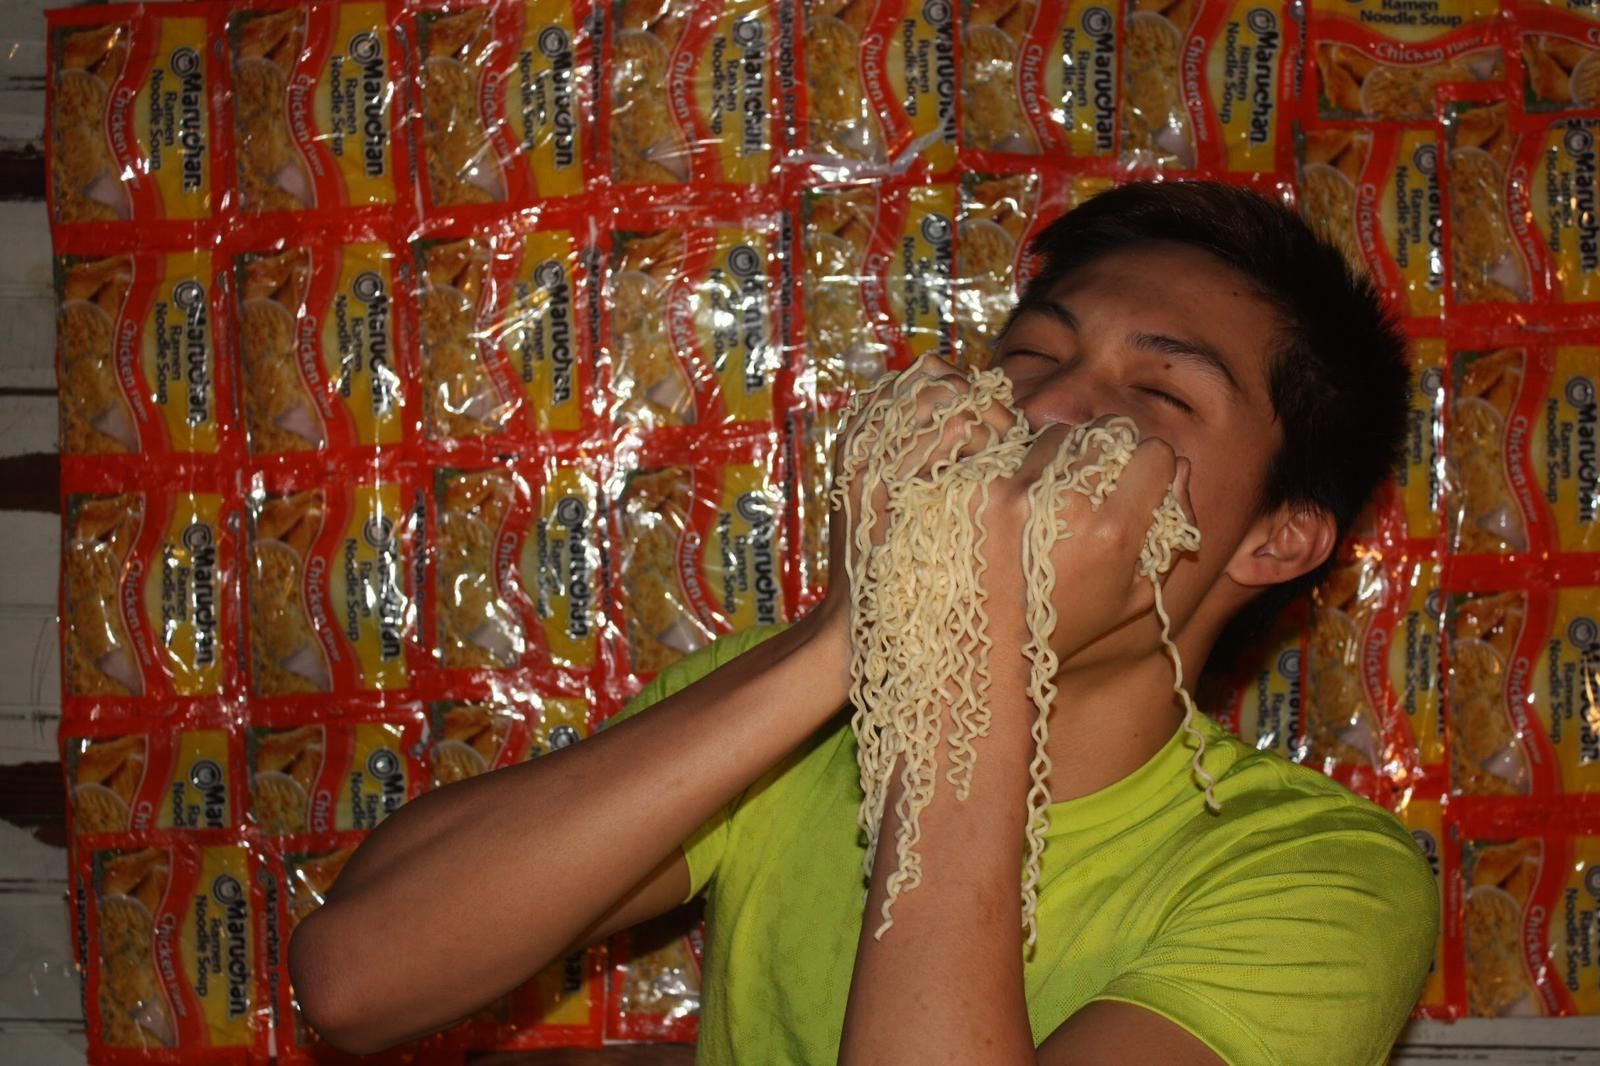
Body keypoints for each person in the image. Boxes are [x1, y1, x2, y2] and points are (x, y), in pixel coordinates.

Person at [288, 181, 1439, 1064]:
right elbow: (355, 978)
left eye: (1159, 395)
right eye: (1029, 356)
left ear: (1274, 537)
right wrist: (859, 633)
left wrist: (964, 663)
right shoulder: (810, 716)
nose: (1043, 410)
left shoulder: (1321, 878)